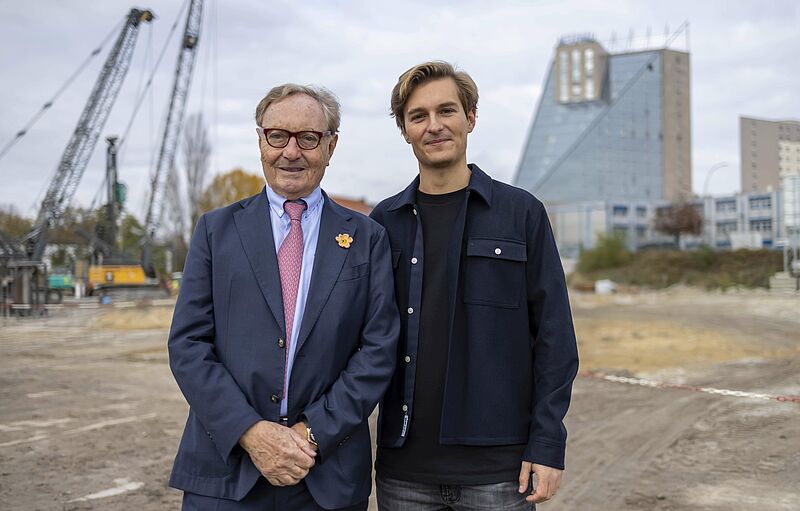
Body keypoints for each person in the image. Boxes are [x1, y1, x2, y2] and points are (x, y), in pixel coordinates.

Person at [168, 83, 399, 511]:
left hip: (324, 476)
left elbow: (378, 350)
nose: (291, 152)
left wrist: (308, 435)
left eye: (308, 138)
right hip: (226, 474)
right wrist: (252, 433)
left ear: (330, 146)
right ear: (261, 140)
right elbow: (187, 345)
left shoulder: (368, 238)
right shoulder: (215, 232)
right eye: (278, 135)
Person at [369, 61, 579, 510]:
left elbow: (556, 339)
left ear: (471, 117)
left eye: (447, 110)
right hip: (404, 471)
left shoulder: (521, 214)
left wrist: (547, 443)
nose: (434, 126)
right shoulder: (382, 224)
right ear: (404, 130)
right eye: (418, 116)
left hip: (499, 474)